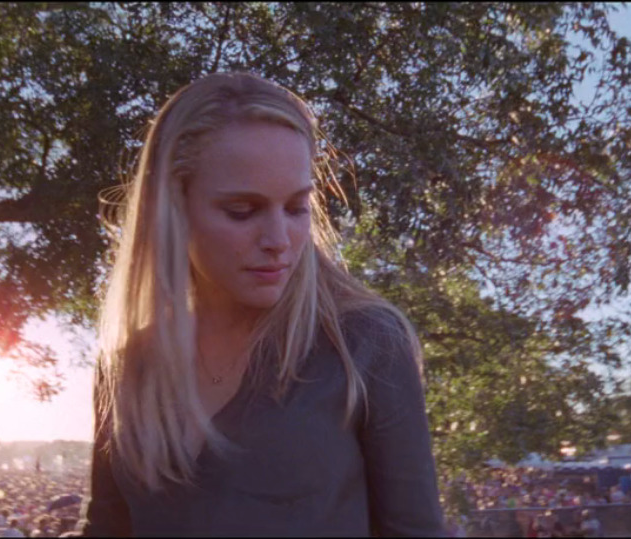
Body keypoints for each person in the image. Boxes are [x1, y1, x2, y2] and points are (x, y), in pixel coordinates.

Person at [71, 72, 445, 536]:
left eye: (296, 208)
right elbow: (108, 527)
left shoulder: (364, 344)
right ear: (173, 206)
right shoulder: (128, 368)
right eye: (242, 211)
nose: (278, 240)